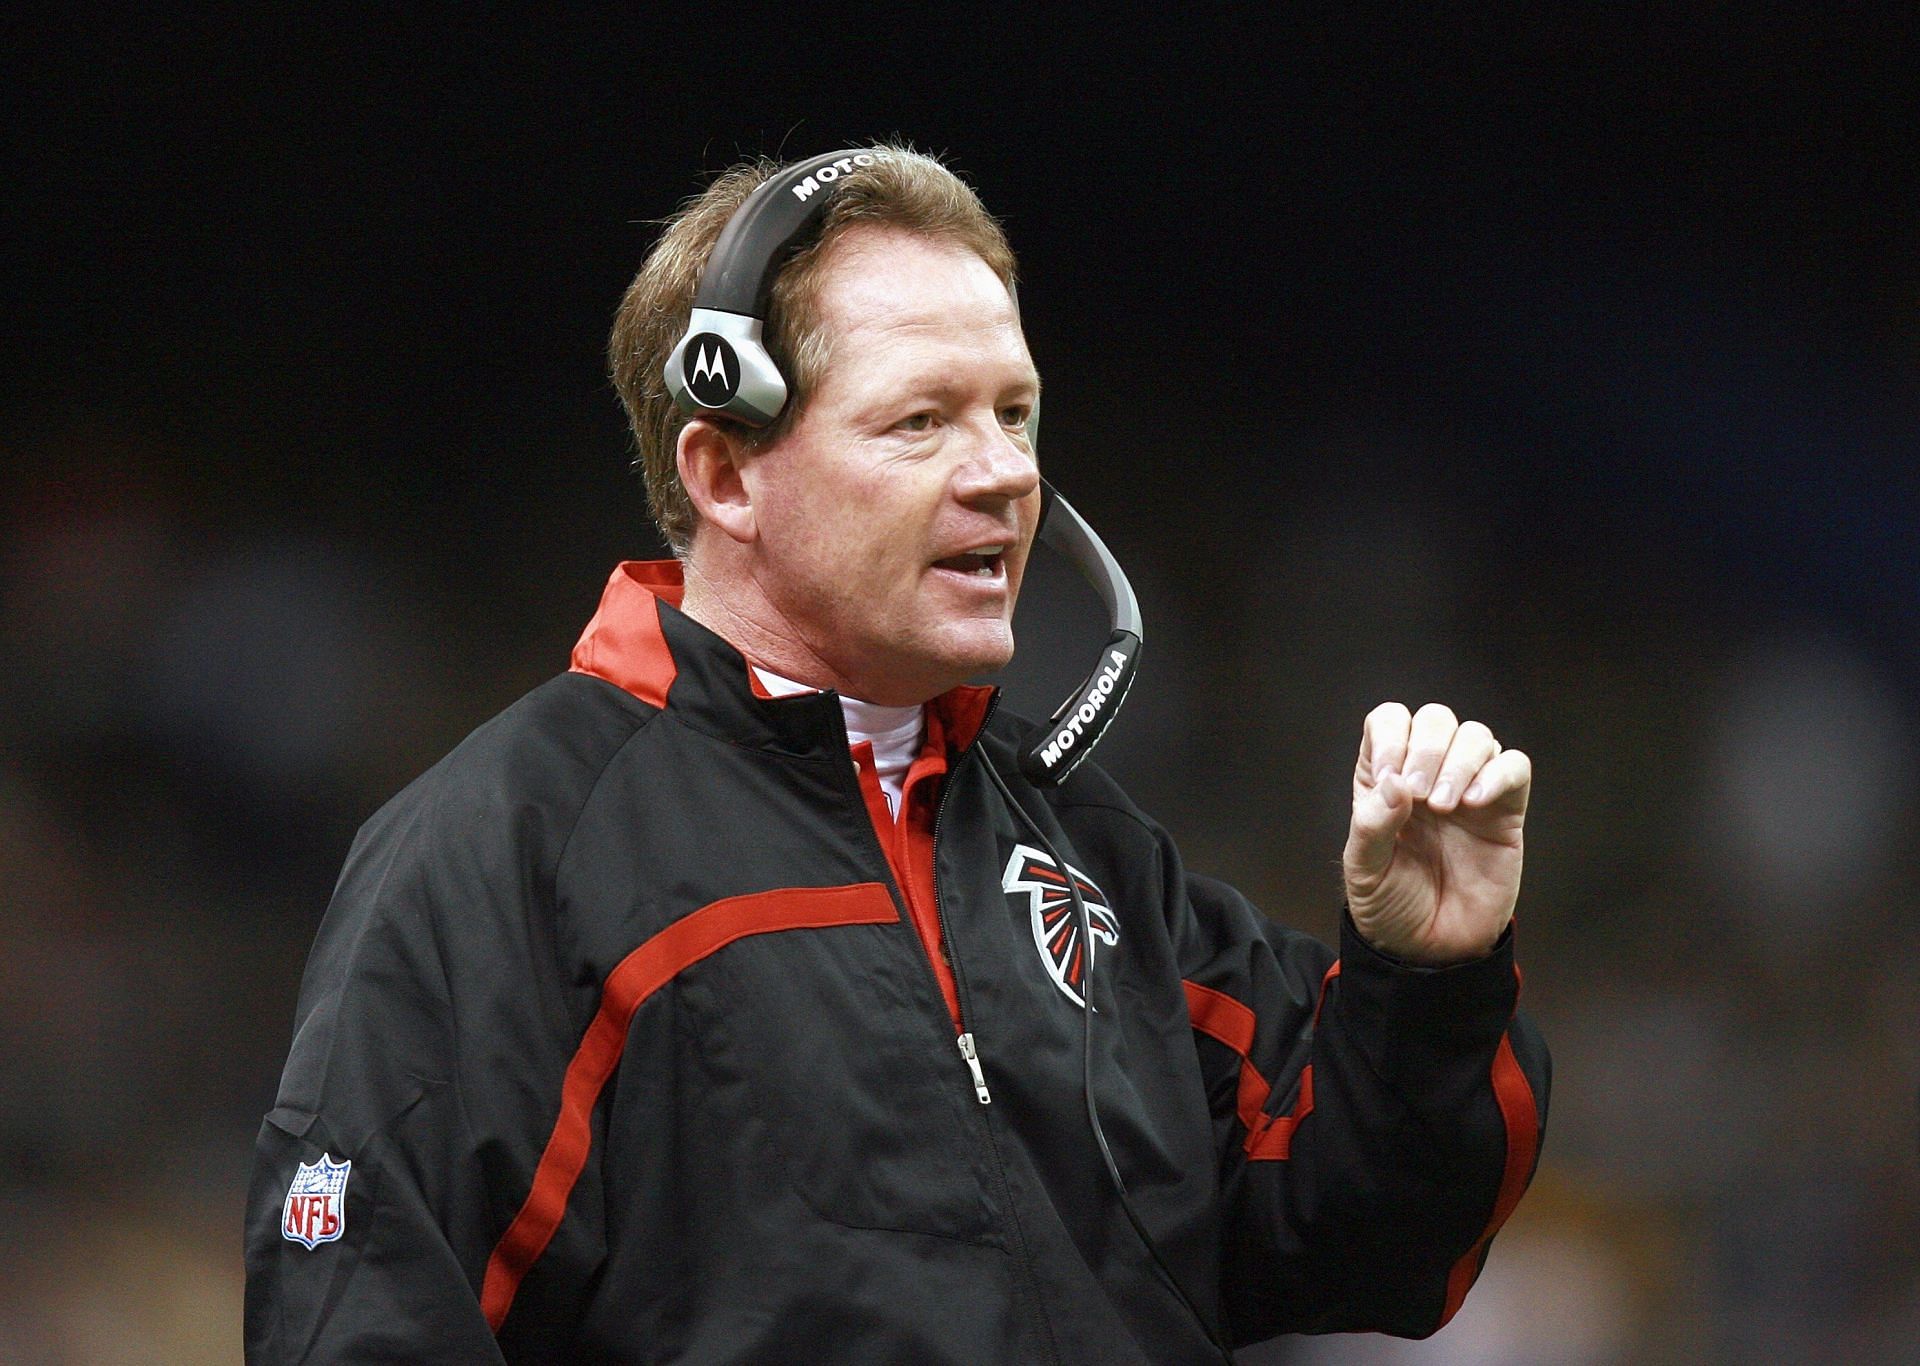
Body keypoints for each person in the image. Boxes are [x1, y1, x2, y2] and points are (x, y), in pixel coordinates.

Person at [245, 144, 1549, 1364]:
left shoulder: (1087, 851)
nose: (1002, 474)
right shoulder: (508, 845)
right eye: (922, 420)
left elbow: (1367, 1249)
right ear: (727, 472)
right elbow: (359, 1312)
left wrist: (1426, 979)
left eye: (1015, 413)